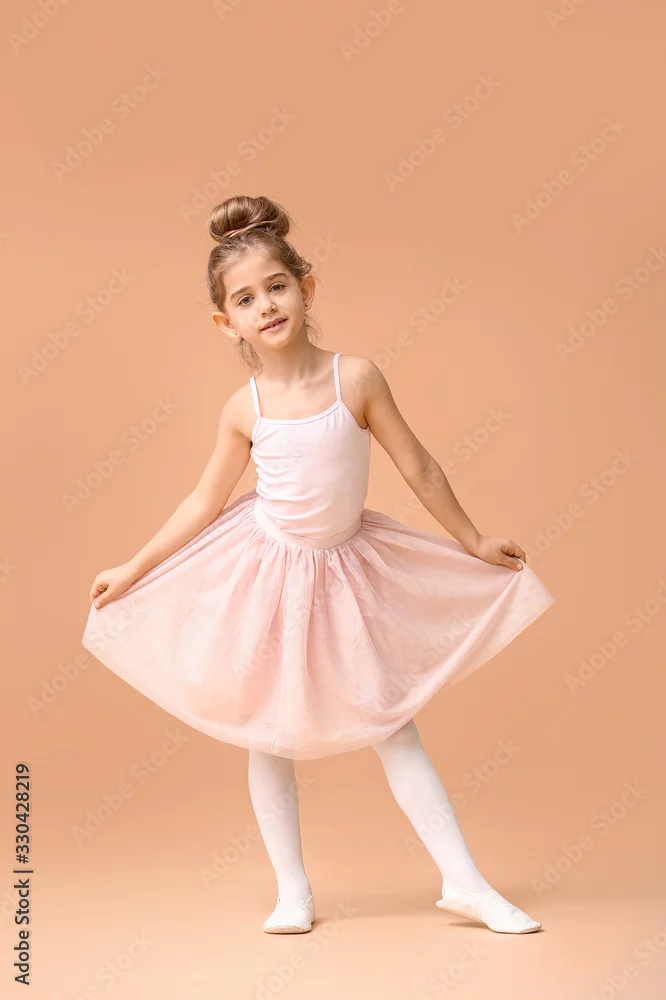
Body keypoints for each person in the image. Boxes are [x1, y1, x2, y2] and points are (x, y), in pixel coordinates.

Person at [82, 194, 555, 936]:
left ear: (306, 288)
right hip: (265, 576)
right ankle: (292, 891)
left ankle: (465, 883)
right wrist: (133, 566)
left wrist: (473, 540)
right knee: (267, 732)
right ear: (226, 323)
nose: (265, 305)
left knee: (393, 724)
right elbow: (204, 501)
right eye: (245, 299)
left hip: (346, 573)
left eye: (276, 286)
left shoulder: (355, 379)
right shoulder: (244, 409)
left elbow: (420, 468)